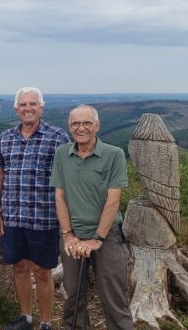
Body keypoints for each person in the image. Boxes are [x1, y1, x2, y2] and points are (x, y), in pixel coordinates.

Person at [0, 87, 70, 330]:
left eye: (32, 104)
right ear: (16, 109)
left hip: (44, 218)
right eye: (23, 104)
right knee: (20, 268)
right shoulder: (6, 137)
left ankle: (46, 322)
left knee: (43, 271)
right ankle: (25, 317)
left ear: (41, 108)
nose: (28, 108)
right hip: (13, 217)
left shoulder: (57, 137)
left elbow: (67, 177)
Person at [50, 105, 134, 330]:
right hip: (73, 236)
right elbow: (60, 197)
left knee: (114, 297)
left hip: (106, 236)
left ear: (97, 126)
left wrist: (97, 239)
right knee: (73, 296)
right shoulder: (62, 154)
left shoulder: (113, 154)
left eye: (87, 123)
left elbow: (113, 200)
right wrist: (68, 236)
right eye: (76, 123)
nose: (81, 128)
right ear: (69, 127)